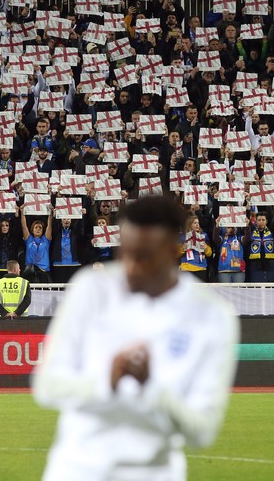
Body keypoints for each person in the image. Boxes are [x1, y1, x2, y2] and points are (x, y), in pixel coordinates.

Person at [33, 196, 239, 481]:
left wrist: (152, 389)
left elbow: (202, 430)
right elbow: (47, 386)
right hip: (77, 468)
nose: (129, 266)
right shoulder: (91, 289)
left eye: (143, 256)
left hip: (155, 472)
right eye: (123, 253)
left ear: (172, 251)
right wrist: (109, 381)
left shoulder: (211, 315)